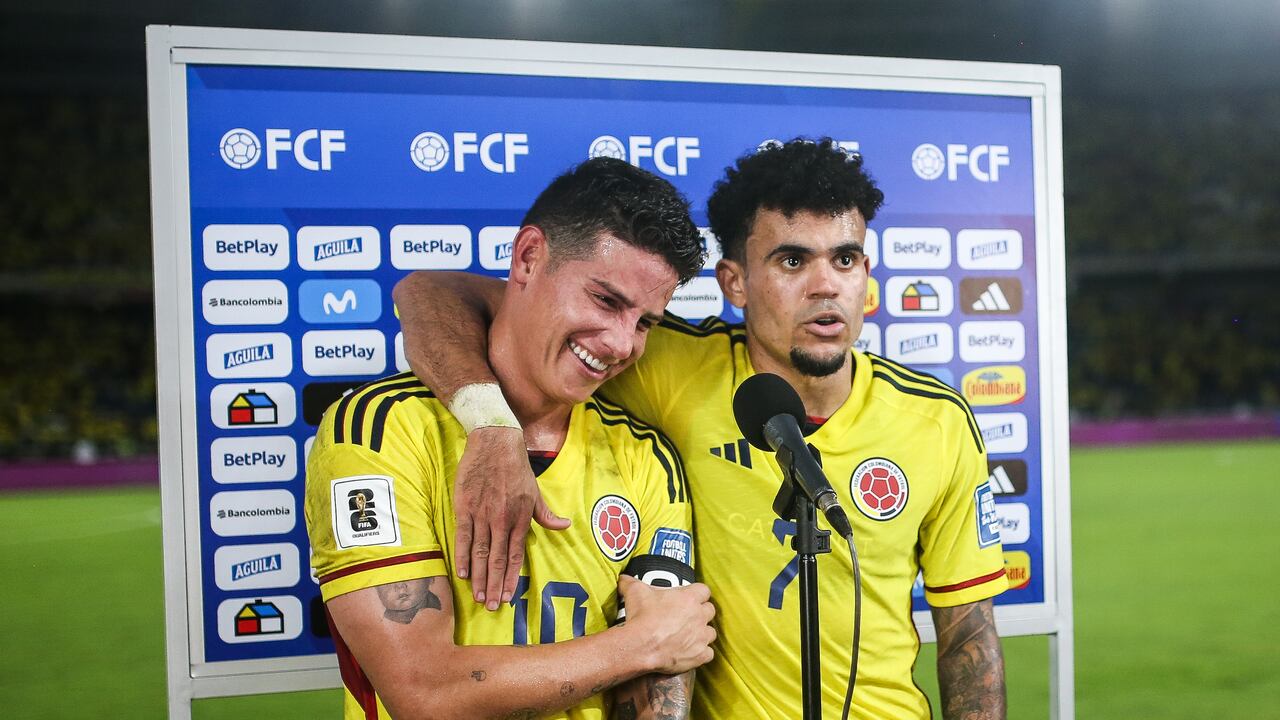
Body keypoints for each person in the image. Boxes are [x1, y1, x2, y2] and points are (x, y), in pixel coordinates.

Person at [393, 138, 1009, 719]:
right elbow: (430, 292)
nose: (826, 286)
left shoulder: (938, 420)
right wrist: (491, 426)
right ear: (734, 281)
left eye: (844, 259)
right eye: (792, 260)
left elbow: (968, 638)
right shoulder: (666, 362)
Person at [305, 157, 717, 720]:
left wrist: (652, 649)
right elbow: (424, 693)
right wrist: (641, 645)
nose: (622, 344)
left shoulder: (646, 455)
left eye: (644, 322)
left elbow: (654, 696)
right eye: (605, 300)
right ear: (528, 258)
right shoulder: (380, 430)